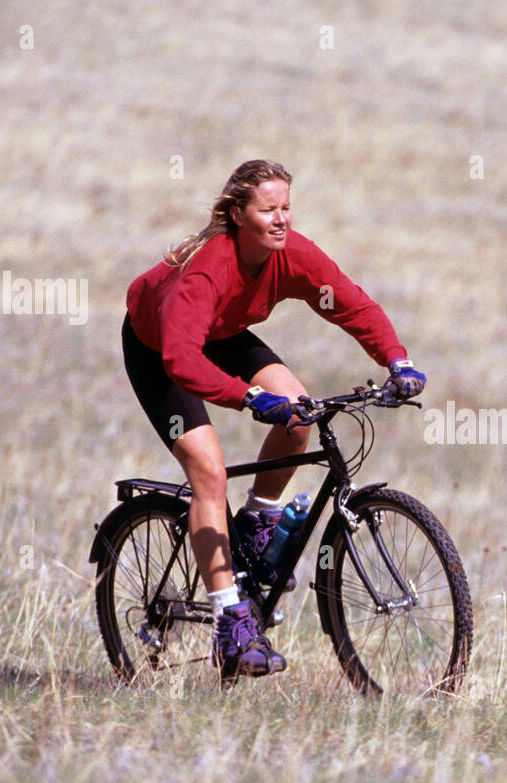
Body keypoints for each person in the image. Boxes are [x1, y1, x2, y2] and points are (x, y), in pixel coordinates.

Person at [123, 159, 426, 682]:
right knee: (209, 473)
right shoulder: (205, 270)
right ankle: (229, 618)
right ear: (238, 214)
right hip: (161, 350)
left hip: (223, 335)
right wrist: (248, 398)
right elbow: (182, 360)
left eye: (286, 207)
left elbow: (351, 304)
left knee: (300, 412)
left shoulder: (291, 255)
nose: (282, 219)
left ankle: (258, 523)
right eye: (269, 210)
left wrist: (396, 361)